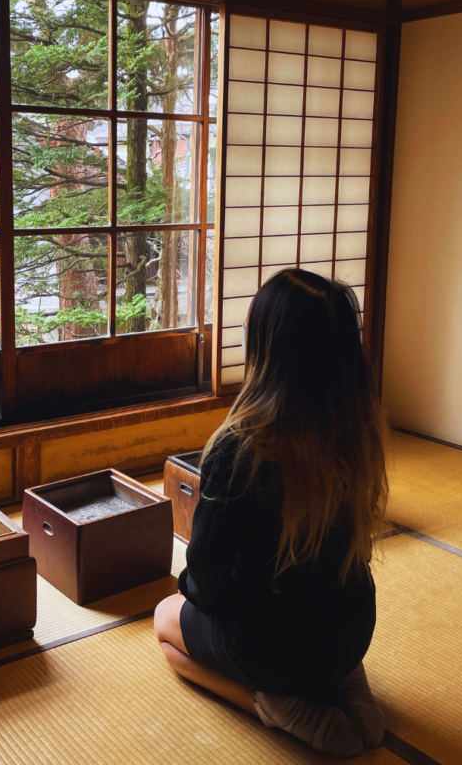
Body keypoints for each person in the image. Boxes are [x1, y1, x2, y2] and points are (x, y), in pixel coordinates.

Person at [154, 269, 389, 758]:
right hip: (352, 628)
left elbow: (207, 575)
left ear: (270, 348)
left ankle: (278, 708)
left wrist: (187, 597)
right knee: (313, 612)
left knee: (164, 622)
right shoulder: (359, 431)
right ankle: (344, 680)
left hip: (271, 647)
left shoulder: (241, 447)